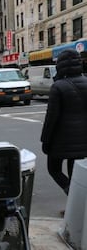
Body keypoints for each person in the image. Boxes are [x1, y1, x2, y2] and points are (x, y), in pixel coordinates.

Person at [41, 49, 87, 199]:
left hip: (61, 141)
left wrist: (45, 141)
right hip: (84, 140)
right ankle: (77, 206)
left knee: (54, 169)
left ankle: (73, 198)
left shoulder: (58, 86)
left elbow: (51, 118)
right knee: (76, 173)